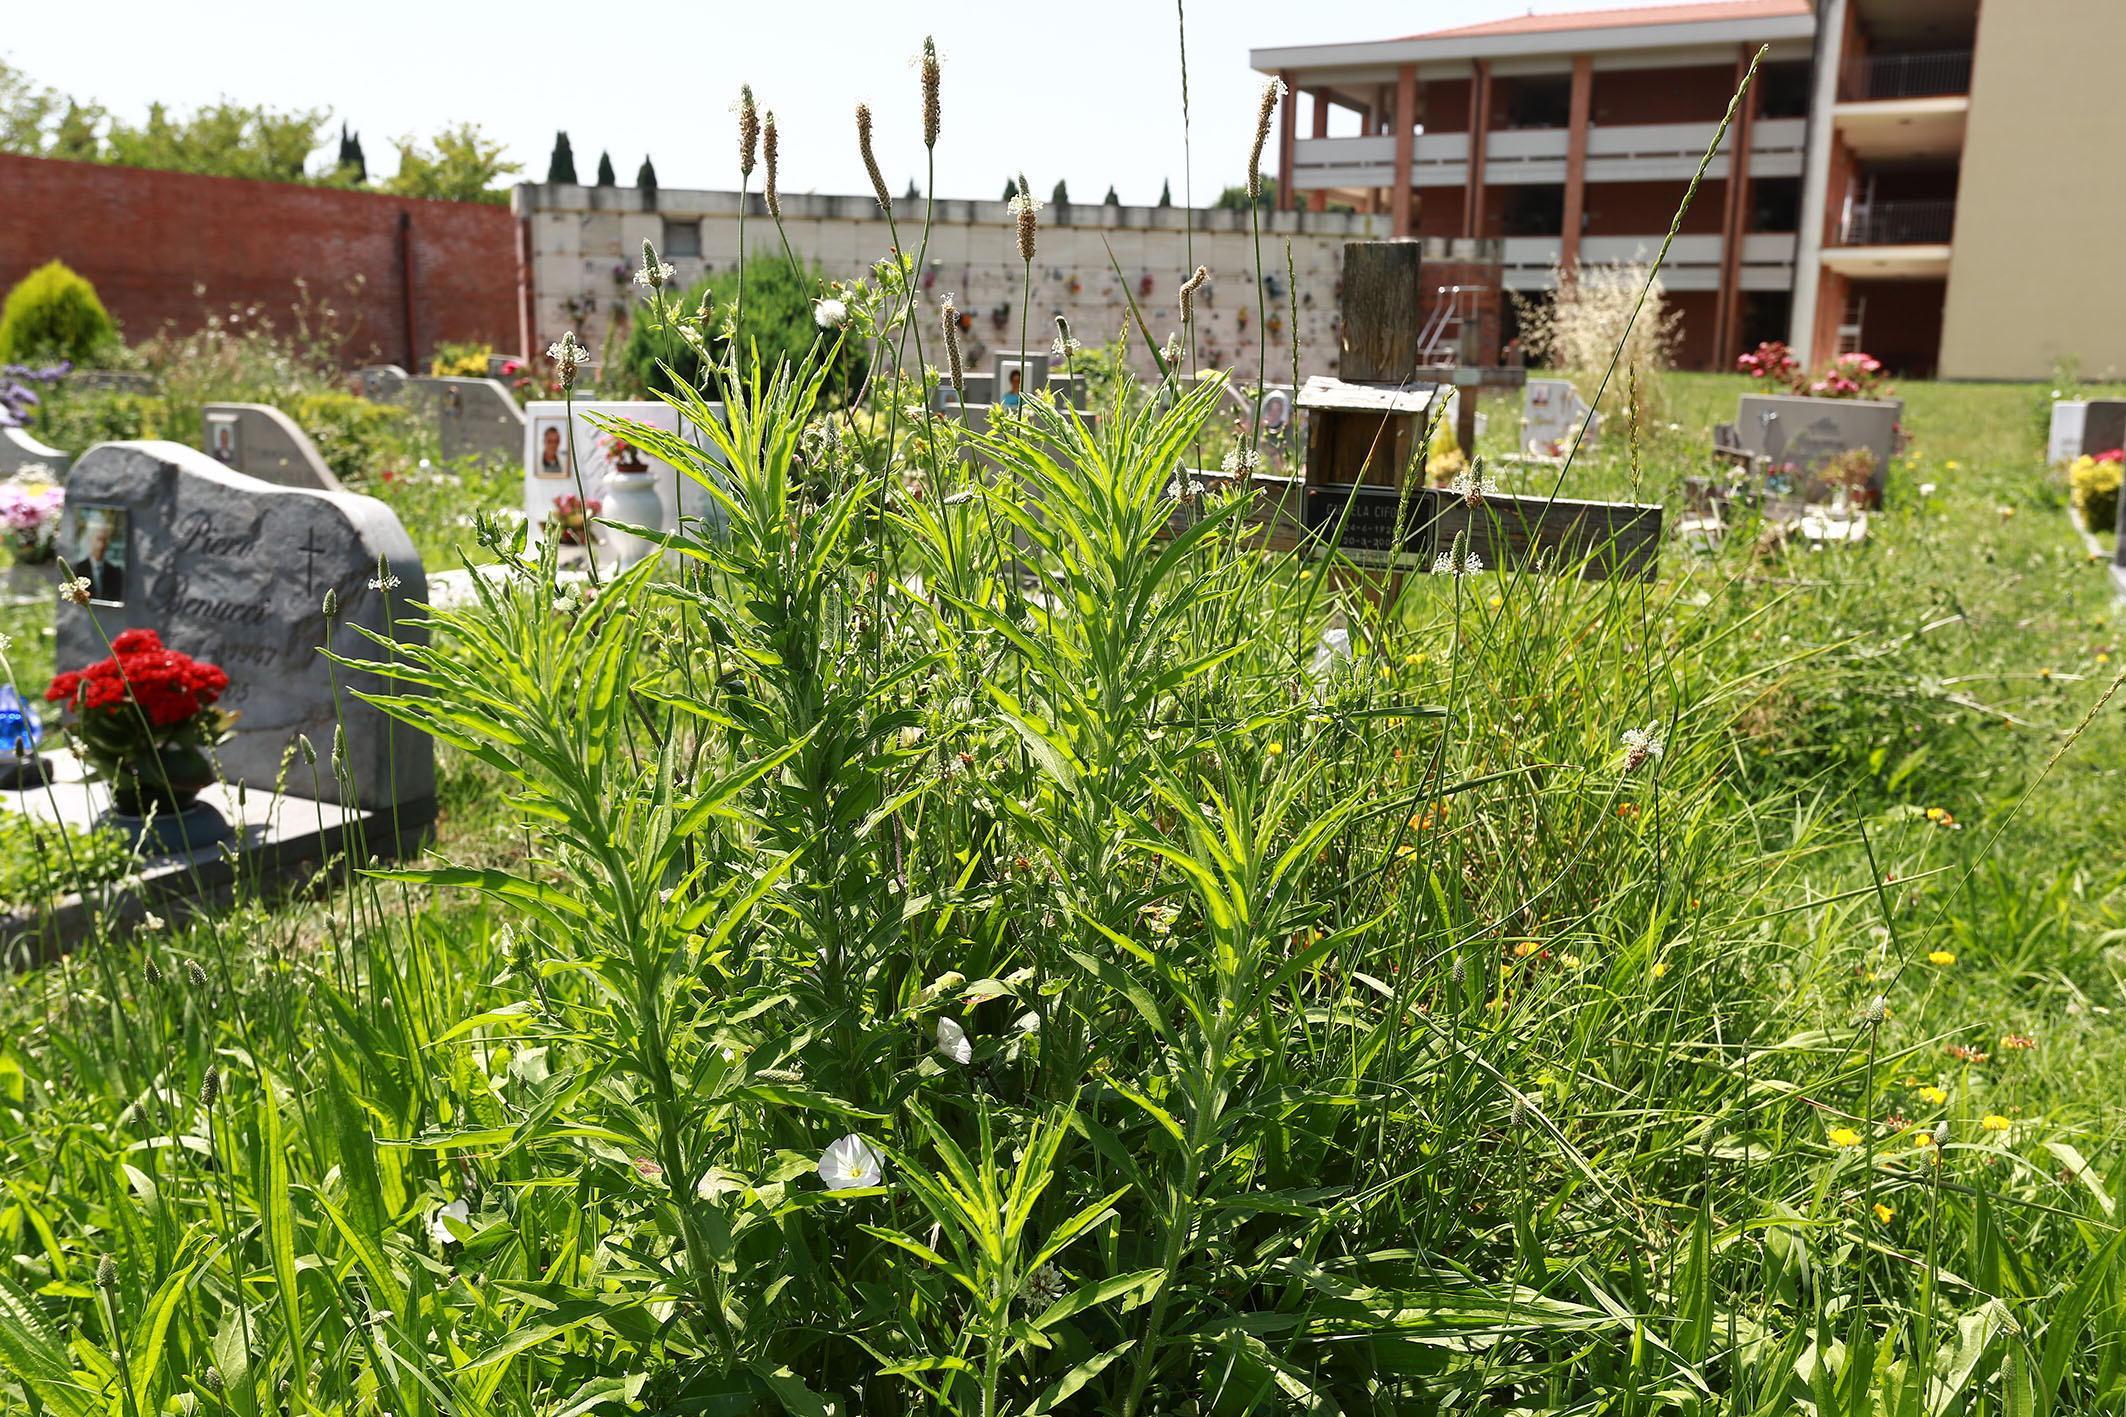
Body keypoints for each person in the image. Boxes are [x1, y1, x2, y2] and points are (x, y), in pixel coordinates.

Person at [80, 513, 124, 603]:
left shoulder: (116, 573)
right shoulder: (77, 569)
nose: (102, 545)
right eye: (99, 539)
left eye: (105, 540)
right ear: (90, 539)